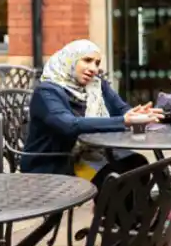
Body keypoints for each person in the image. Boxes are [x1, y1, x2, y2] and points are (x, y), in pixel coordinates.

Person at [22, 40, 161, 186]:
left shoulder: (97, 85)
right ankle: (115, 208)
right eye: (87, 60)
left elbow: (120, 109)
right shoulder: (47, 92)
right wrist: (124, 120)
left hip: (94, 152)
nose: (93, 68)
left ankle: (131, 208)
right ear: (70, 60)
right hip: (55, 162)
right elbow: (69, 125)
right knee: (112, 177)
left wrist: (137, 114)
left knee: (138, 164)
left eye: (97, 63)